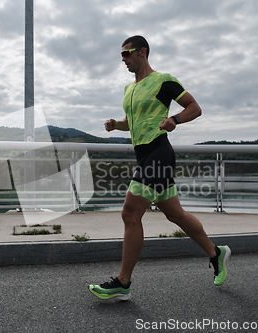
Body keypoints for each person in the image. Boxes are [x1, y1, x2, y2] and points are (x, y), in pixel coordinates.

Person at [88, 35, 231, 301]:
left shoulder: (163, 80)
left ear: (142, 52)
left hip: (159, 152)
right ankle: (216, 253)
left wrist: (175, 119)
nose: (123, 58)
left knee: (130, 213)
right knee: (175, 214)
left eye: (127, 53)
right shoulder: (128, 89)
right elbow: (134, 121)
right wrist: (116, 126)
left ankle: (123, 282)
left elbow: (194, 107)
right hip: (143, 156)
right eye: (121, 55)